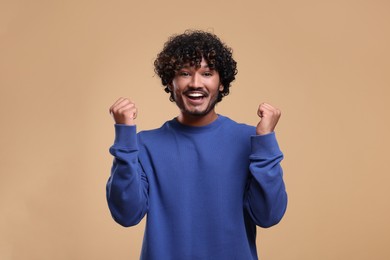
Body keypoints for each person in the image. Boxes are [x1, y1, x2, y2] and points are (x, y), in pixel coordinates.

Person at [107, 30, 287, 260]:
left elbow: (268, 215)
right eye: (184, 73)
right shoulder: (144, 145)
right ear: (170, 83)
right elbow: (126, 214)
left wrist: (265, 142)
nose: (195, 83)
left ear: (221, 83)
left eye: (207, 73)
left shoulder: (250, 140)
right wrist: (124, 136)